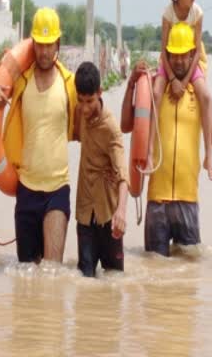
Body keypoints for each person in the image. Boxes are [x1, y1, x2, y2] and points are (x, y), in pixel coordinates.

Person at [121, 23, 212, 256]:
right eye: (173, 56)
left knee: (189, 274)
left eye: (183, 56)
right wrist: (131, 83)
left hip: (187, 200)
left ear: (192, 56)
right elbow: (126, 125)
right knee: (155, 271)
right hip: (157, 202)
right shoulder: (155, 89)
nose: (178, 61)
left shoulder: (200, 94)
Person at [0, 8, 77, 264]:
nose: (43, 52)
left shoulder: (69, 84)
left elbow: (91, 127)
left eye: (49, 45)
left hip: (57, 188)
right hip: (26, 189)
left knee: (51, 273)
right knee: (26, 275)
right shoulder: (20, 81)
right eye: (39, 45)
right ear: (33, 44)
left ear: (58, 44)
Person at [151, 0, 212, 181]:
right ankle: (151, 150)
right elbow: (163, 49)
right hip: (169, 60)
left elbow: (197, 50)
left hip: (191, 62)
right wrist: (171, 78)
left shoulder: (197, 13)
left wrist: (186, 80)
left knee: (206, 97)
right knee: (157, 94)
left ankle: (208, 155)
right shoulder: (168, 13)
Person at [73, 61, 128, 277]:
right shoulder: (79, 113)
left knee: (114, 279)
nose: (85, 108)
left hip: (108, 216)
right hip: (85, 213)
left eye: (90, 101)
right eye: (81, 101)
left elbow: (123, 174)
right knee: (83, 279)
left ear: (100, 93)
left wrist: (121, 211)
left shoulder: (111, 128)